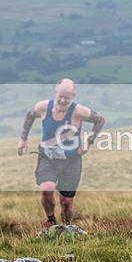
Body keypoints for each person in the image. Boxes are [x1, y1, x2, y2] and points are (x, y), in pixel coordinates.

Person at [17, 79, 105, 227]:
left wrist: (88, 141)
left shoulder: (78, 111)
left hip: (71, 160)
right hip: (48, 158)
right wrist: (23, 139)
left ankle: (66, 227)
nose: (63, 101)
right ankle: (50, 220)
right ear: (56, 92)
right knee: (47, 189)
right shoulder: (43, 107)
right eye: (60, 97)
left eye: (67, 98)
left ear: (73, 97)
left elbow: (100, 120)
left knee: (66, 202)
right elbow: (30, 115)